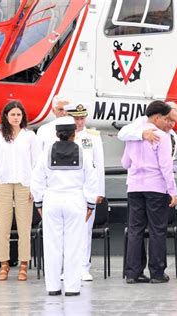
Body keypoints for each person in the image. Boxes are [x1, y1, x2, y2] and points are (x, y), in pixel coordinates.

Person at [31, 116, 98, 296]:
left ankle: (52, 287)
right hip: (75, 201)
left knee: (52, 245)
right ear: (73, 134)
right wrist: (90, 204)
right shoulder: (84, 154)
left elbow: (36, 180)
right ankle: (72, 287)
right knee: (74, 245)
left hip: (51, 200)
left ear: (56, 133)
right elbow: (92, 181)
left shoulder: (45, 153)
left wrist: (39, 202)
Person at [118, 101, 177, 281]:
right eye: (166, 118)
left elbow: (125, 163)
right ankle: (157, 272)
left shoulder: (134, 135)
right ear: (156, 117)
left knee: (135, 230)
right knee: (157, 230)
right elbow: (165, 166)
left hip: (135, 187)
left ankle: (133, 272)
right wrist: (173, 191)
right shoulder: (162, 136)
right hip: (156, 187)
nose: (167, 122)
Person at [0, 101, 40, 281]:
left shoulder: (30, 136)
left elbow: (36, 164)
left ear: (23, 116)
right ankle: (4, 264)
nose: (16, 118)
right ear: (6, 117)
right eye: (13, 115)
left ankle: (24, 264)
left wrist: (35, 187)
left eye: (19, 114)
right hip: (3, 184)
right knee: (3, 226)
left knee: (25, 226)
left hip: (25, 184)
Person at [65, 103, 105, 280]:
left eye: (82, 118)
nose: (80, 122)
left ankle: (83, 267)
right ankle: (67, 267)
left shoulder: (93, 137)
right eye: (76, 118)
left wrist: (99, 191)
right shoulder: (62, 136)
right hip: (69, 189)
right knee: (67, 231)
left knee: (85, 230)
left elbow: (99, 165)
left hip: (87, 190)